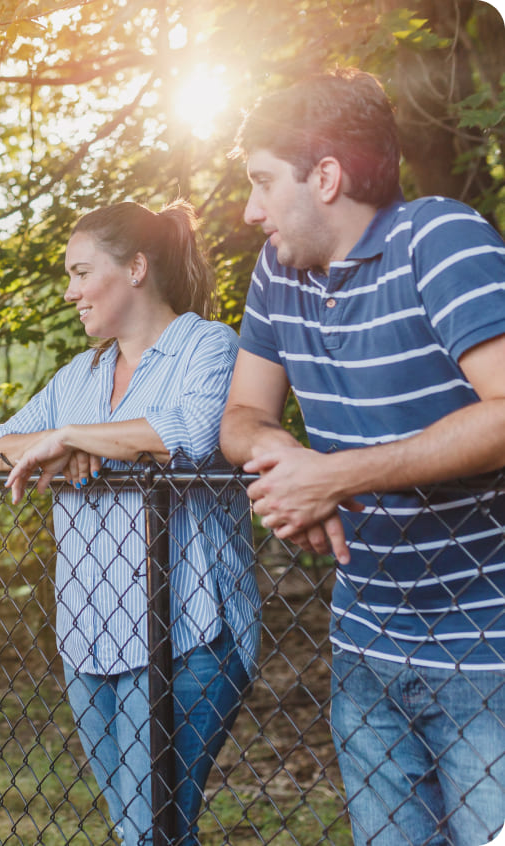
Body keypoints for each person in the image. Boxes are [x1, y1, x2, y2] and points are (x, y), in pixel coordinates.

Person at [220, 68, 505, 845]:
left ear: (326, 177)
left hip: (488, 651)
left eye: (262, 182)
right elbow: (242, 416)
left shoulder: (438, 238)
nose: (250, 211)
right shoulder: (279, 272)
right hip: (365, 650)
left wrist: (334, 476)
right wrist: (285, 461)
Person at [0, 200, 260, 846]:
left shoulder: (206, 345)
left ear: (135, 268)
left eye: (81, 273)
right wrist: (61, 442)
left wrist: (75, 438)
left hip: (188, 631)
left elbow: (191, 434)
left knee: (150, 829)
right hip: (89, 636)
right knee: (145, 829)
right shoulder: (79, 376)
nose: (70, 292)